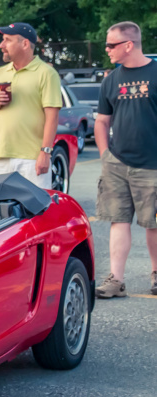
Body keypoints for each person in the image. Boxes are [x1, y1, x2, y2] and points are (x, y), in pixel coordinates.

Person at [93, 21, 157, 298]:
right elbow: (102, 121)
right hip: (117, 163)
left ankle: (156, 275)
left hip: (152, 163)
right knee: (118, 220)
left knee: (153, 223)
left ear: (128, 45)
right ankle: (116, 280)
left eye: (111, 44)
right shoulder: (111, 80)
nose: (106, 49)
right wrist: (105, 155)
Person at [0, 22, 62, 189]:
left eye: (7, 40)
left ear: (24, 44)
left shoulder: (46, 73)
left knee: (36, 213)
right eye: (2, 40)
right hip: (1, 156)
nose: (1, 45)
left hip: (32, 158)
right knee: (2, 212)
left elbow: (52, 118)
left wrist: (45, 153)